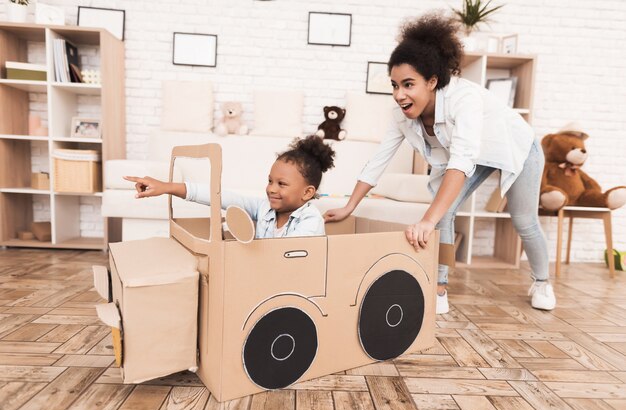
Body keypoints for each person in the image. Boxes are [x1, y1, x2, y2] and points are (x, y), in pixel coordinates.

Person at [324, 12, 555, 314]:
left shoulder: (464, 100)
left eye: (408, 84)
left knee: (523, 220)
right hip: (470, 153)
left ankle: (542, 282)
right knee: (442, 210)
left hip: (514, 146)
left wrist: (427, 220)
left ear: (432, 81)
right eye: (394, 85)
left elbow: (461, 162)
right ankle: (439, 289)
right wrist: (349, 206)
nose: (399, 95)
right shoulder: (401, 115)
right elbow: (379, 160)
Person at [125, 135, 335, 238]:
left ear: (307, 193)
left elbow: (287, 260)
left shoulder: (310, 221)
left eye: (282, 184)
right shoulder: (265, 208)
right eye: (270, 181)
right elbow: (219, 197)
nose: (271, 189)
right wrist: (167, 187)